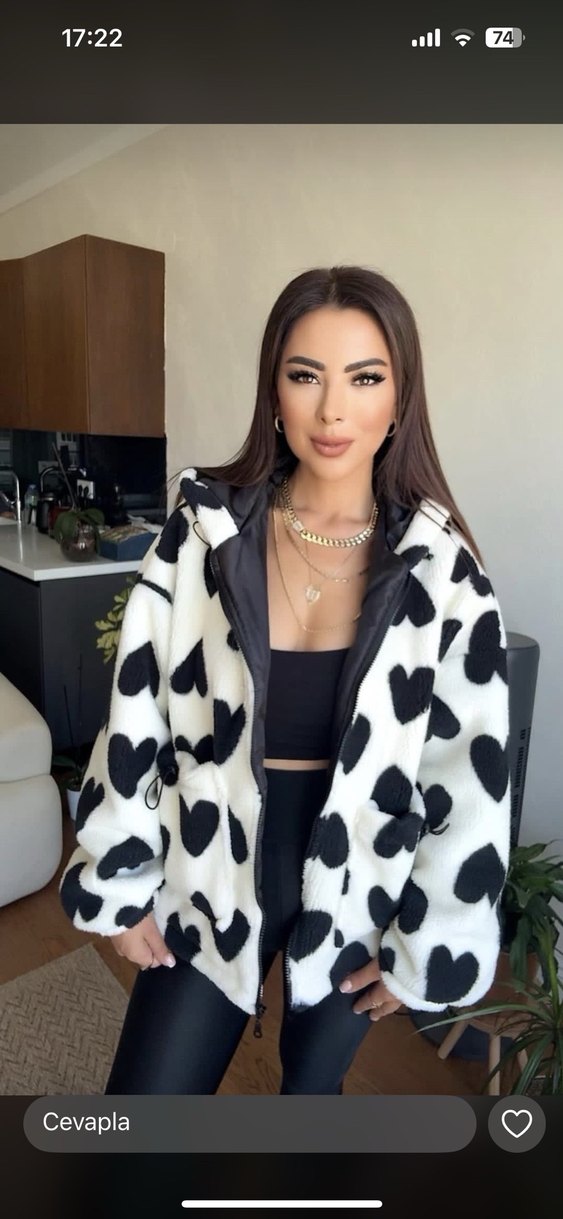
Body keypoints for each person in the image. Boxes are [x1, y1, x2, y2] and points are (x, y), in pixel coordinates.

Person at [59, 265, 511, 1094]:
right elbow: (136, 714)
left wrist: (428, 941)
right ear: (274, 391)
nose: (332, 410)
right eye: (306, 375)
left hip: (359, 876)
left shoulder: (442, 572)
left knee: (309, 1100)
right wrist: (121, 879)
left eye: (364, 378)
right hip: (210, 856)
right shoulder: (203, 536)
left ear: (400, 398)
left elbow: (467, 779)